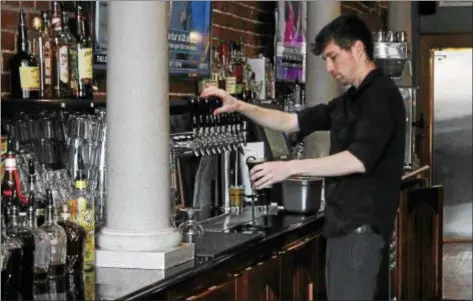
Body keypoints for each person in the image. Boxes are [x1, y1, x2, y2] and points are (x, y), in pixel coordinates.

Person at [201, 15, 406, 300]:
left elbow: (357, 160)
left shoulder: (380, 95)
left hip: (361, 231)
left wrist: (288, 168)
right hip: (344, 229)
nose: (329, 68)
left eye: (333, 57)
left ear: (358, 49)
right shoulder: (352, 99)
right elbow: (290, 121)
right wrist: (240, 106)